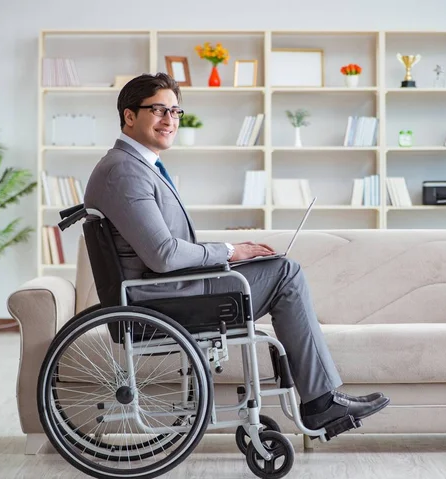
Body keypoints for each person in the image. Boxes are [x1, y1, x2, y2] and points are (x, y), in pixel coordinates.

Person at [84, 72, 389, 438]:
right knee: (285, 274)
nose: (170, 120)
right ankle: (321, 403)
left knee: (275, 267)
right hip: (162, 300)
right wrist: (229, 250)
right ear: (129, 116)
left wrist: (229, 258)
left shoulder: (135, 166)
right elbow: (164, 256)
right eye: (159, 110)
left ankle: (320, 400)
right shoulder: (123, 171)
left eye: (176, 112)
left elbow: (165, 249)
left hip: (167, 290)